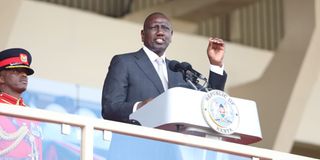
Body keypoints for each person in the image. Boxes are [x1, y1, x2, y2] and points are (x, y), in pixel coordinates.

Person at [101, 12, 227, 124]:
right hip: (135, 146)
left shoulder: (179, 71)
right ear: (143, 35)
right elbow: (109, 108)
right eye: (154, 27)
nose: (160, 32)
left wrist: (216, 65)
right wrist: (139, 107)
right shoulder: (124, 62)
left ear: (171, 36)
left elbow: (210, 103)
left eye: (165, 28)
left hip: (170, 147)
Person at [0, 48, 42, 159]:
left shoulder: (31, 113)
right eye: (16, 71)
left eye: (25, 72)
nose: (24, 75)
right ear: (1, 78)